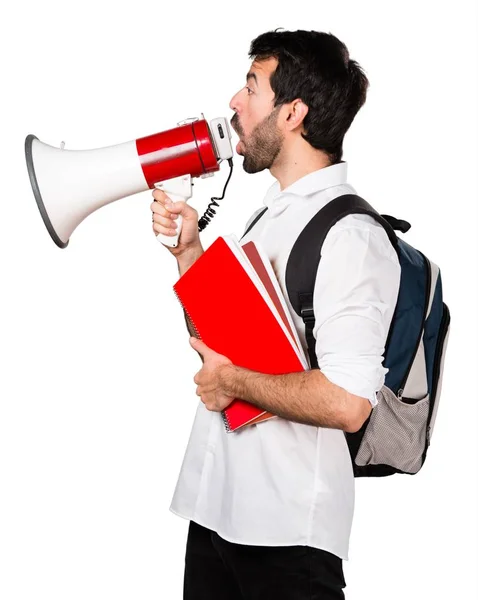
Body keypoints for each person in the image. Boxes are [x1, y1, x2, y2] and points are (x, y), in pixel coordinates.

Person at [151, 29, 401, 600]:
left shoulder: (351, 237)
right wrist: (190, 253)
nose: (234, 104)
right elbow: (219, 347)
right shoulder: (270, 216)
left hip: (287, 535)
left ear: (293, 113)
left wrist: (231, 382)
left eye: (251, 87)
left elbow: (347, 403)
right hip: (217, 511)